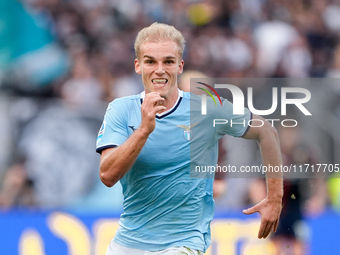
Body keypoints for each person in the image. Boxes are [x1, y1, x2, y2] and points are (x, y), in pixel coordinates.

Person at [96, 22, 283, 255]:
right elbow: (107, 175)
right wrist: (143, 130)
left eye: (168, 61)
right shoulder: (121, 109)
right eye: (150, 61)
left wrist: (275, 197)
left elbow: (267, 132)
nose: (160, 69)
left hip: (184, 242)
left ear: (180, 66)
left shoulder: (207, 109)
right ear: (138, 66)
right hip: (129, 241)